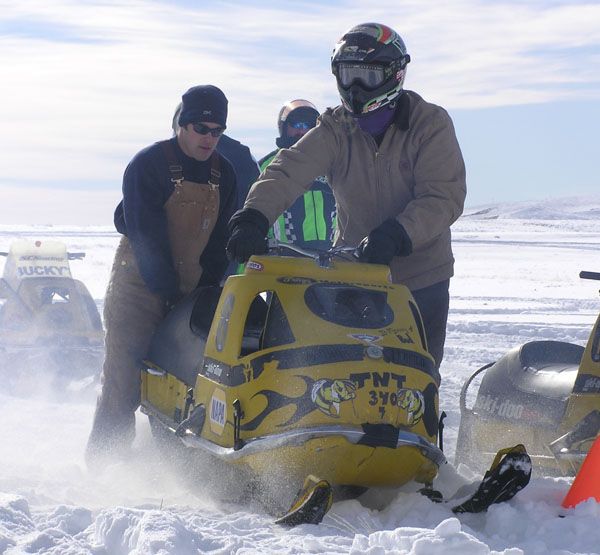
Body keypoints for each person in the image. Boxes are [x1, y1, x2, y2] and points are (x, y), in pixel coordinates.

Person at [226, 23, 466, 370]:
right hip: (355, 272)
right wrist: (254, 216)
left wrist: (399, 233)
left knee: (415, 377)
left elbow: (444, 196)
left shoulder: (429, 124)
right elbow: (288, 169)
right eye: (348, 75)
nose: (355, 88)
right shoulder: (336, 127)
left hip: (420, 278)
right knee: (339, 373)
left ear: (394, 74)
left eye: (366, 76)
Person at [86, 85, 237, 464]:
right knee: (124, 381)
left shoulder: (225, 173)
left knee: (184, 383)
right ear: (182, 125)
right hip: (139, 287)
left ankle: (176, 467)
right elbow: (146, 237)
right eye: (202, 128)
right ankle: (104, 466)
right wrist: (168, 292)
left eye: (218, 131)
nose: (210, 138)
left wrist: (203, 295)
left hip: (188, 292)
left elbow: (220, 243)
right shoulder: (148, 165)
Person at [260, 100, 336, 251]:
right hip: (283, 255)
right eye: (296, 125)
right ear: (284, 127)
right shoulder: (269, 165)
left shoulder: (332, 163)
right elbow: (256, 204)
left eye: (308, 126)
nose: (302, 131)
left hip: (331, 256)